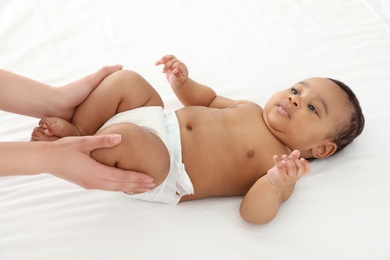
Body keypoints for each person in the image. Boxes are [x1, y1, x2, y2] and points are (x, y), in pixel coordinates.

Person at [31, 55, 365, 224]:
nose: (293, 98)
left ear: (321, 148)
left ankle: (71, 152)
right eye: (295, 89)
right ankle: (77, 132)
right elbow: (205, 99)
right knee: (127, 81)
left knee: (127, 139)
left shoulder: (280, 167)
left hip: (163, 168)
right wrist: (182, 84)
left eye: (311, 107)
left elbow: (254, 214)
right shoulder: (248, 108)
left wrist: (275, 183)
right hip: (156, 120)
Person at [0, 66, 154, 193]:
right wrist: (48, 156)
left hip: (166, 130)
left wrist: (55, 100)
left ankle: (78, 130)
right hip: (166, 158)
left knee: (125, 81)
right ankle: (84, 147)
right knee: (123, 137)